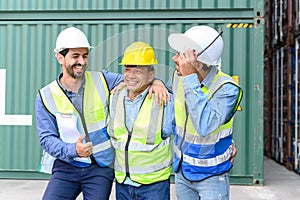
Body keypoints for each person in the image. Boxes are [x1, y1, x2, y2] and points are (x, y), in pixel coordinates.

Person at [35, 27, 169, 200]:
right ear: (60, 57)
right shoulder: (45, 95)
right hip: (67, 165)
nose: (82, 61)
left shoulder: (102, 79)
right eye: (75, 56)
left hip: (100, 167)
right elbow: (46, 138)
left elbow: (137, 79)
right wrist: (72, 150)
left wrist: (157, 82)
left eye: (84, 56)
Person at [167, 25, 243, 199]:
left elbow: (204, 126)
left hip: (212, 176)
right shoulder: (178, 78)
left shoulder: (227, 89)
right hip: (183, 171)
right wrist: (156, 83)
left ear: (197, 63)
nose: (174, 58)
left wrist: (190, 79)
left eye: (180, 55)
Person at [108, 41, 175, 200]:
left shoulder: (164, 99)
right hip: (122, 182)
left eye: (137, 71)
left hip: (154, 186)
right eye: (128, 70)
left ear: (151, 75)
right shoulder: (115, 95)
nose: (131, 76)